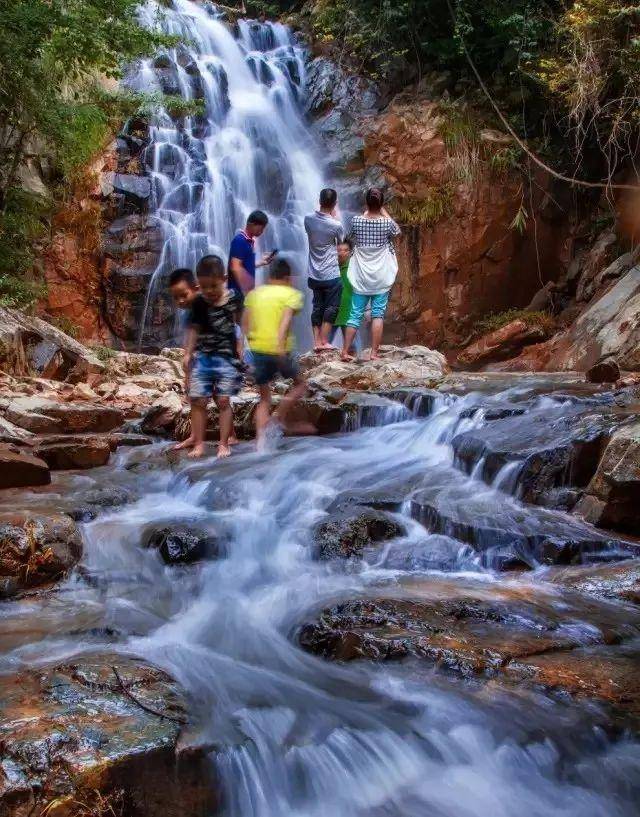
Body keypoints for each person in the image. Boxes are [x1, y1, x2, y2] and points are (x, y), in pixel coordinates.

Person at [178, 255, 243, 460]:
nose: (208, 291)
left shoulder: (234, 299)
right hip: (203, 357)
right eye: (203, 287)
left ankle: (223, 443)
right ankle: (199, 443)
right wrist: (188, 352)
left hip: (226, 357)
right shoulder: (199, 302)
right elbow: (194, 328)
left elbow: (241, 325)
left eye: (213, 286)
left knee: (223, 400)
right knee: (198, 401)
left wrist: (241, 352)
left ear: (224, 279)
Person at [242, 257, 311, 447]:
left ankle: (260, 443)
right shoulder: (291, 294)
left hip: (257, 349)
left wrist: (249, 345)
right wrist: (280, 345)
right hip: (281, 349)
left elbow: (245, 324)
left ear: (270, 276)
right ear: (287, 277)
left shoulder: (254, 295)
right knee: (299, 385)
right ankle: (279, 416)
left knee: (264, 397)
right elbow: (286, 319)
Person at [341, 188, 401, 362]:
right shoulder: (386, 223)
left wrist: (366, 212)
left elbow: (348, 237)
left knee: (355, 314)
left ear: (366, 203)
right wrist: (383, 211)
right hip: (381, 274)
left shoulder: (356, 220)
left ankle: (344, 351)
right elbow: (397, 231)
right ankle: (374, 353)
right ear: (381, 204)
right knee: (377, 314)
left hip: (361, 274)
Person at [304, 188, 344, 351]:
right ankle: (324, 341)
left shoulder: (307, 219)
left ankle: (316, 342)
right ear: (334, 204)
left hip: (314, 274)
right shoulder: (336, 225)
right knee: (332, 307)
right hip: (331, 273)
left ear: (319, 201)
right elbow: (342, 243)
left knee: (317, 307)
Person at [228, 210, 275, 299]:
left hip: (243, 294)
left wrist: (262, 262)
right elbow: (235, 267)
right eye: (260, 228)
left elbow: (245, 266)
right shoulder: (240, 240)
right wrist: (248, 289)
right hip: (237, 295)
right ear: (251, 224)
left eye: (263, 229)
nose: (262, 232)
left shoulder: (249, 242)